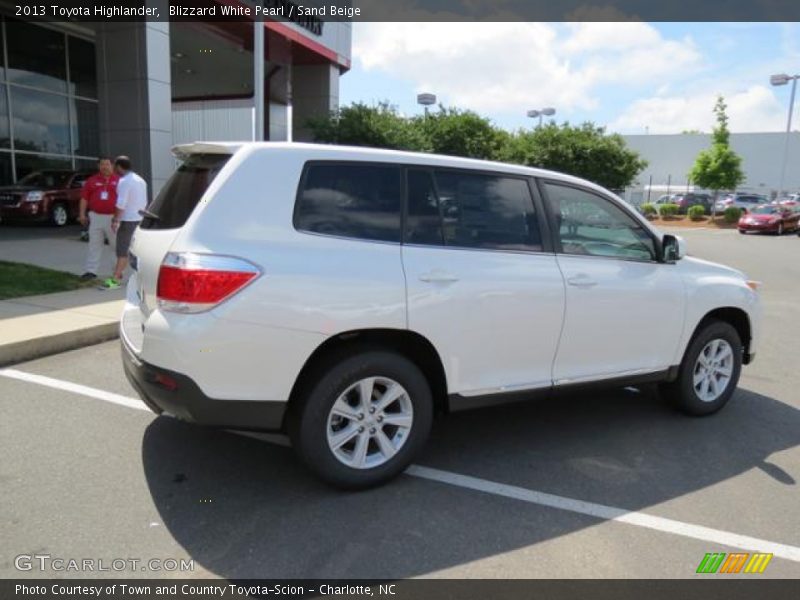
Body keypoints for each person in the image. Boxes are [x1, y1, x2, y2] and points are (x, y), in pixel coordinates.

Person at [100, 156, 147, 290]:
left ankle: (115, 279)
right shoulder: (140, 180)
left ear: (119, 166)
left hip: (128, 220)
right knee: (137, 251)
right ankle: (140, 280)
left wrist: (115, 220)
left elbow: (121, 203)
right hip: (140, 219)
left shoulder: (124, 181)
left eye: (115, 166)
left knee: (122, 251)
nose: (113, 169)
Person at [79, 157, 119, 280]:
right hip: (96, 216)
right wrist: (82, 214)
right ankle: (91, 271)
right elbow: (84, 198)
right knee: (94, 244)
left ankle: (116, 272)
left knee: (115, 245)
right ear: (98, 166)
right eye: (102, 164)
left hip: (113, 217)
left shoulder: (119, 181)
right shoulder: (91, 181)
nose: (105, 167)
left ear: (112, 166)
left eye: (107, 164)